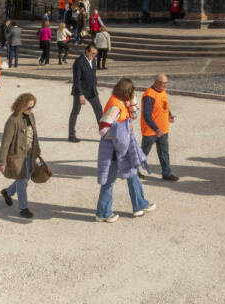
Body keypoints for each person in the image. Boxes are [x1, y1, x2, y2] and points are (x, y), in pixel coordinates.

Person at [95, 78, 154, 222]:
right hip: (113, 150)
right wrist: (126, 128)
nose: (133, 94)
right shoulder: (114, 106)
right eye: (132, 92)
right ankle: (102, 213)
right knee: (109, 181)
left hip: (123, 147)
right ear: (126, 92)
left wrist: (133, 100)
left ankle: (140, 205)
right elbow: (103, 130)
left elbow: (133, 115)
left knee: (132, 174)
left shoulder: (120, 102)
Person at [0, 93, 41, 219]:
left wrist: (37, 149)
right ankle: (23, 208)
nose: (31, 110)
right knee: (22, 181)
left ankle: (7, 192)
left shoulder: (31, 116)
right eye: (29, 107)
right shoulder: (13, 121)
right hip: (17, 157)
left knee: (27, 177)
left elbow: (34, 135)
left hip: (30, 154)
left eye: (32, 107)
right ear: (21, 106)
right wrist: (2, 161)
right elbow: (5, 143)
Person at [140, 74, 178, 181]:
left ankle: (166, 173)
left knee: (164, 152)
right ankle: (133, 171)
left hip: (163, 130)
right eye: (163, 83)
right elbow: (146, 115)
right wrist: (156, 129)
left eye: (166, 83)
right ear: (156, 82)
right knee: (143, 152)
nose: (165, 85)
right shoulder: (149, 95)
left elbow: (164, 105)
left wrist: (169, 114)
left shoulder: (162, 91)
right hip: (151, 131)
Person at [69, 44, 104, 142]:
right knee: (75, 112)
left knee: (99, 112)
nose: (94, 56)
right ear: (87, 51)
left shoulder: (93, 60)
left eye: (95, 54)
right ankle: (71, 135)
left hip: (92, 91)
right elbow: (77, 80)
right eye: (92, 54)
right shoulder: (78, 62)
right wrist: (80, 94)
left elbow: (93, 75)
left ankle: (104, 134)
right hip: (80, 91)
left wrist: (95, 86)